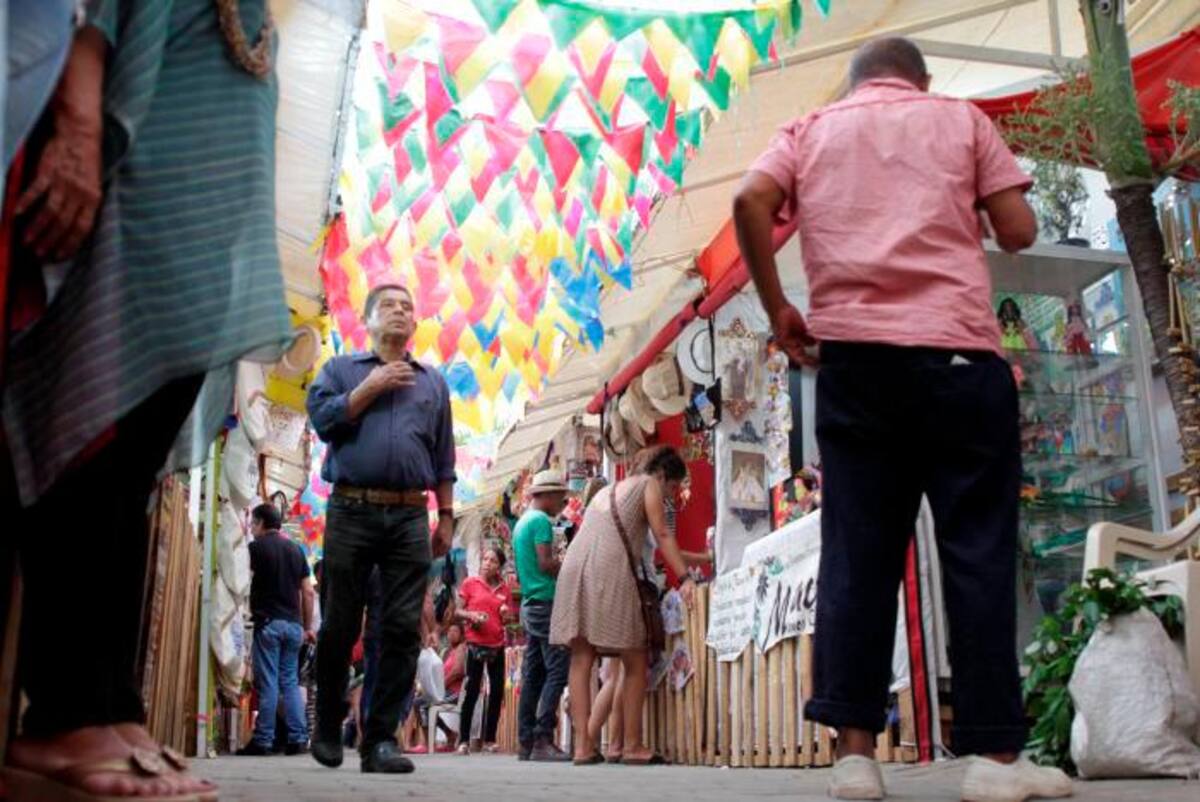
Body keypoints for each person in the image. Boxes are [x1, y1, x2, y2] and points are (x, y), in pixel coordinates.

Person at [732, 38, 1070, 802]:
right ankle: (994, 761)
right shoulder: (959, 119)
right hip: (956, 358)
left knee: (859, 551)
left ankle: (856, 758)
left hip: (855, 365)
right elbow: (1018, 230)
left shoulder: (810, 130)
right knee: (978, 552)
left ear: (855, 84)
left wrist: (780, 305)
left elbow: (748, 200)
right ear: (917, 79)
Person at [3, 3, 291, 800]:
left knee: (129, 473)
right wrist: (81, 127)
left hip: (188, 249)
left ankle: (112, 708)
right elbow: (96, 16)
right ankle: (64, 717)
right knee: (95, 446)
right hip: (130, 207)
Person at [306, 282, 457, 775]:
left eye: (407, 307)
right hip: (352, 508)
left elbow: (444, 457)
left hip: (411, 515)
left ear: (415, 324)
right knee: (340, 624)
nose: (399, 312)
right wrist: (368, 389)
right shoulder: (340, 370)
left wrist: (447, 516)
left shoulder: (433, 383)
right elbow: (323, 420)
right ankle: (328, 726)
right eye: (388, 306)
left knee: (400, 629)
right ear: (368, 320)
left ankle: (381, 742)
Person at [551, 446, 696, 765]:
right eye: (674, 486)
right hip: (607, 567)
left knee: (581, 655)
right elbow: (662, 534)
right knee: (634, 655)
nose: (672, 495)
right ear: (663, 475)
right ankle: (632, 745)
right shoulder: (649, 486)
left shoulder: (609, 489)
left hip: (575, 565)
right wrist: (685, 577)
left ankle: (583, 747)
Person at [238, 503, 316, 756]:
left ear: (260, 523)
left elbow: (241, 583)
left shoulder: (255, 548)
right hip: (293, 626)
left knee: (269, 683)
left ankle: (263, 740)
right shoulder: (296, 550)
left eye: (253, 524)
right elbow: (307, 591)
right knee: (290, 683)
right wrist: (305, 627)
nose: (252, 529)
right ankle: (297, 739)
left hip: (269, 624)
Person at [512, 470, 572, 762]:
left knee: (533, 674)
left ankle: (526, 740)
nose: (562, 503)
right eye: (560, 497)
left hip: (530, 604)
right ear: (547, 496)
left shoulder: (523, 522)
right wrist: (568, 565)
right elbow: (546, 563)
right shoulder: (540, 523)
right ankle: (542, 736)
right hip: (546, 603)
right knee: (558, 669)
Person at [453, 546, 514, 754]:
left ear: (499, 567)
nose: (487, 563)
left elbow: (509, 620)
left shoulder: (504, 589)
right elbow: (457, 611)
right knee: (472, 692)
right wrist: (471, 616)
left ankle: (489, 739)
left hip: (496, 644)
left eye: (493, 561)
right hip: (474, 644)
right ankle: (463, 740)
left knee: (496, 692)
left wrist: (506, 615)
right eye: (486, 559)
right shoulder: (470, 583)